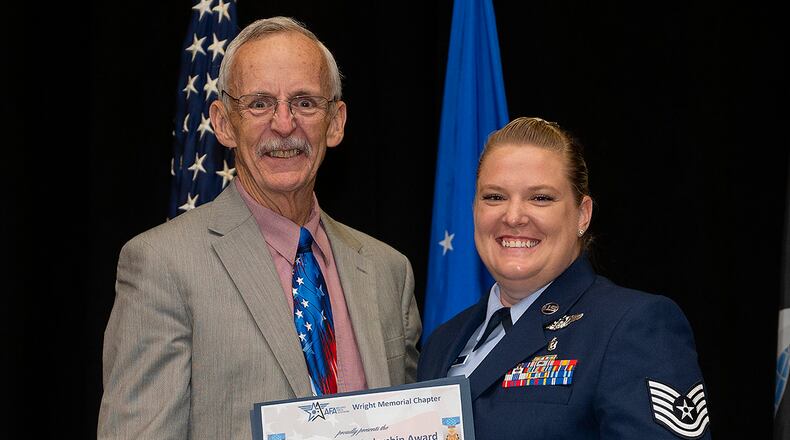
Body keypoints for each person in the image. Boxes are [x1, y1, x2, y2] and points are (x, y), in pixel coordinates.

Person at [98, 17, 421, 439]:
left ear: (336, 121)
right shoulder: (162, 266)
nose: (284, 125)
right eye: (260, 103)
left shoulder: (388, 271)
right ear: (224, 122)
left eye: (305, 102)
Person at [417, 117, 711, 439]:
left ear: (582, 214)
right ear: (474, 209)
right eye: (494, 197)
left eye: (540, 198)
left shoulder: (632, 327)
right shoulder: (441, 343)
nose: (513, 216)